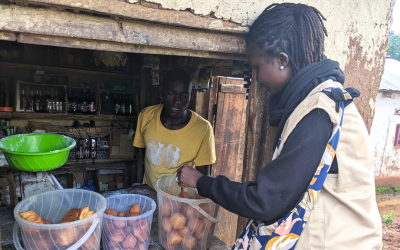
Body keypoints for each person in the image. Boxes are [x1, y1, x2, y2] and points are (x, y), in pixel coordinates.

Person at [177, 3, 382, 250]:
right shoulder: (320, 99)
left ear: (282, 60)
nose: (256, 78)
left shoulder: (318, 111)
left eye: (256, 68)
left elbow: (266, 200)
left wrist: (202, 181)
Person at [133, 68, 216, 190]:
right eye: (171, 93)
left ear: (190, 96)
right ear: (162, 92)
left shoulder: (203, 129)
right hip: (150, 192)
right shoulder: (146, 116)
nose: (177, 101)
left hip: (181, 200)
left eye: (183, 95)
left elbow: (203, 176)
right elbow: (141, 152)